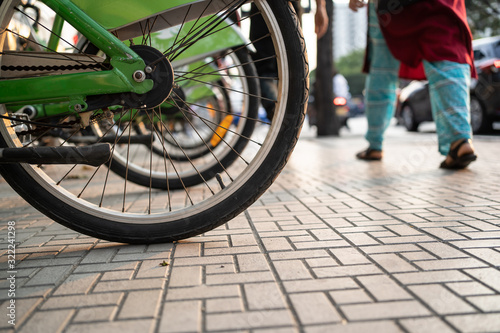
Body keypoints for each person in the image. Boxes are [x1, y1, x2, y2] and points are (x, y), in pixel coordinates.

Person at [350, 0, 477, 169]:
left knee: (382, 71)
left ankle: (375, 144)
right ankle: (460, 140)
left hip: (391, 8)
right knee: (446, 52)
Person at [250, 0, 328, 120]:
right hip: (285, 6)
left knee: (271, 67)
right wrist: (320, 6)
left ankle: (279, 115)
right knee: (289, 66)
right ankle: (282, 116)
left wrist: (320, 6)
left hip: (272, 7)